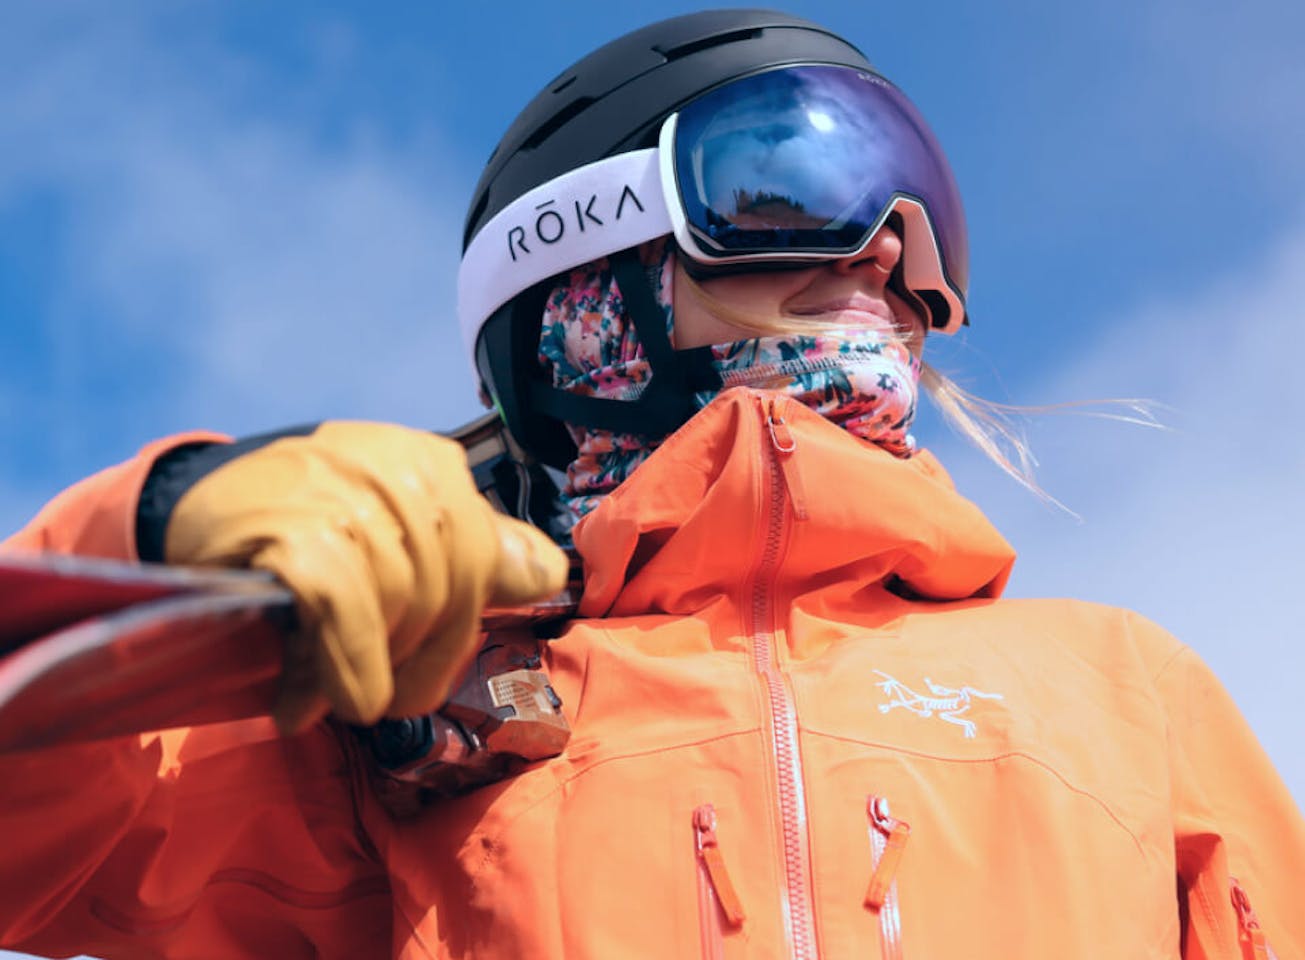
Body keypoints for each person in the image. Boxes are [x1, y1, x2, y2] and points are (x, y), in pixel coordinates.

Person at [1, 9, 1301, 959]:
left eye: (924, 224)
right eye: (801, 184)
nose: (889, 258)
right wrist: (156, 537)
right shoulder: (402, 704)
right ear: (587, 286)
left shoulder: (1124, 693)